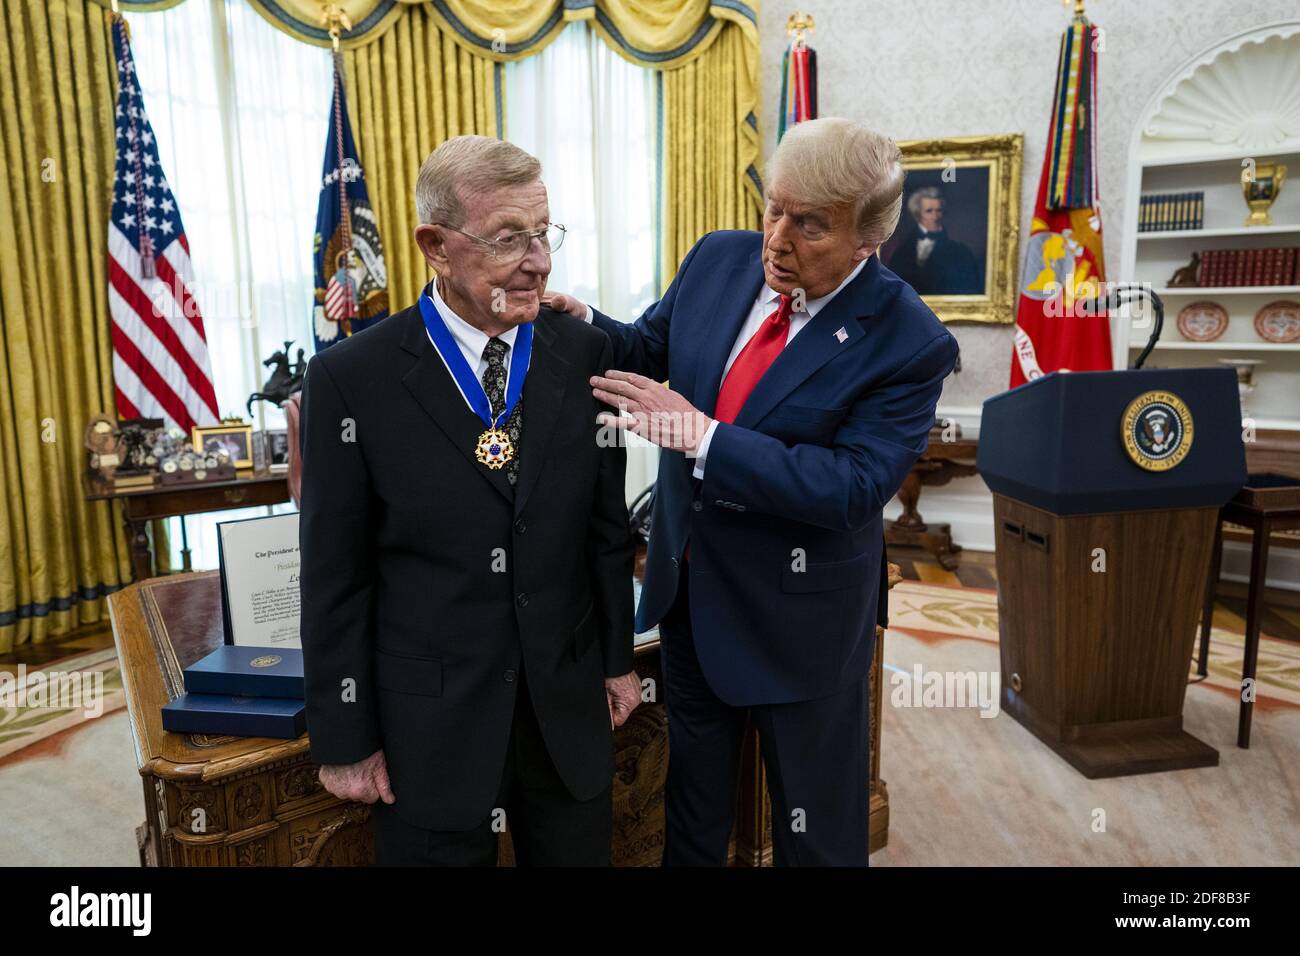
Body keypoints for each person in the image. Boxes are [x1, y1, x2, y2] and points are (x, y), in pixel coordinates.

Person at [549, 117, 959, 866]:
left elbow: (853, 488)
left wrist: (700, 438)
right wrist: (586, 324)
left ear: (870, 239)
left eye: (810, 225)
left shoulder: (910, 340)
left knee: (815, 831)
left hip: (800, 626)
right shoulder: (719, 259)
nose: (777, 238)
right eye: (773, 208)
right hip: (691, 599)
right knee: (694, 814)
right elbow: (650, 348)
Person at [299, 135, 640, 866]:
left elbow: (605, 533)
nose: (540, 262)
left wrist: (616, 660)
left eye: (545, 235)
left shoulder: (584, 355)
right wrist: (346, 735)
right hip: (431, 727)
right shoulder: (349, 382)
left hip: (565, 710)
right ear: (435, 244)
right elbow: (335, 574)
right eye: (509, 239)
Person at [886, 186, 982, 294]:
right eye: (929, 211)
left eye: (939, 211)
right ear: (917, 215)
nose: (935, 216)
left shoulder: (961, 252)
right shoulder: (901, 252)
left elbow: (969, 290)